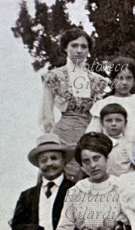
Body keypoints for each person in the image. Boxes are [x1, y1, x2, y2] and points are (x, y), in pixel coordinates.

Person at [40, 28, 110, 181]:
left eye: (83, 47)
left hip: (88, 134)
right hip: (62, 135)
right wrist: (49, 140)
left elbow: (99, 113)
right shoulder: (54, 77)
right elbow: (47, 113)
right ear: (65, 47)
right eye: (74, 45)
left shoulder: (98, 81)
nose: (79, 50)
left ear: (89, 50)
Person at [87, 56, 135, 143]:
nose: (124, 83)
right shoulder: (102, 104)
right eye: (119, 78)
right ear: (112, 80)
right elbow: (93, 133)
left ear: (134, 80)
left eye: (128, 78)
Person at [97, 103, 134, 177]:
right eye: (109, 120)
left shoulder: (130, 143)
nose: (113, 124)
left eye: (118, 120)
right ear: (102, 123)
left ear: (125, 123)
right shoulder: (98, 143)